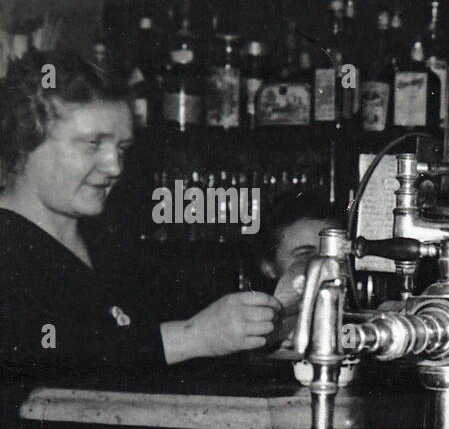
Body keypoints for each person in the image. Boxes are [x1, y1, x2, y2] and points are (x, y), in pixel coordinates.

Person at [0, 51, 281, 384]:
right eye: (92, 144)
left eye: (122, 148)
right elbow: (45, 352)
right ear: (25, 142)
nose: (114, 167)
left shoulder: (109, 242)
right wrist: (193, 336)